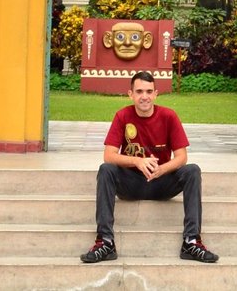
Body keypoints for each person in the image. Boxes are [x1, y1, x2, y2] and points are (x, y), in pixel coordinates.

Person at [80, 70, 219, 264]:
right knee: (106, 169)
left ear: (155, 94)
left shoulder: (169, 116)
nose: (144, 96)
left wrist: (162, 169)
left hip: (160, 182)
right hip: (131, 183)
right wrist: (137, 161)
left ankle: (191, 241)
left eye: (148, 91)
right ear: (131, 94)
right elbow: (109, 155)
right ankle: (105, 241)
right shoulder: (122, 116)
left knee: (192, 170)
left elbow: (182, 157)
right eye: (139, 91)